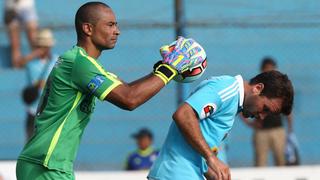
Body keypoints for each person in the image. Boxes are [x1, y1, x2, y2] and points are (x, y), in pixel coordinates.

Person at [16, 2, 204, 180]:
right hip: (46, 164)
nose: (117, 31)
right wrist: (170, 68)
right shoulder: (80, 64)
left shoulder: (83, 63)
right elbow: (129, 99)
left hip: (45, 163)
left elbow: (128, 89)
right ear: (88, 28)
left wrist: (164, 67)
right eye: (110, 25)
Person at [148, 71, 294, 180]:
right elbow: (183, 114)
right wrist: (212, 158)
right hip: (173, 175)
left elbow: (195, 143)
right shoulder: (226, 89)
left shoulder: (234, 104)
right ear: (257, 88)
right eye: (265, 108)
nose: (262, 116)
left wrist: (211, 171)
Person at [240, 57, 293, 167]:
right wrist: (249, 123)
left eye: (271, 69)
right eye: (266, 69)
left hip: (277, 129)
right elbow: (242, 103)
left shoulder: (279, 89)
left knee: (281, 162)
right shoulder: (255, 89)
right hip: (261, 131)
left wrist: (290, 130)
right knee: (260, 163)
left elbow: (287, 109)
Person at [19, 28, 58, 140]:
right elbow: (19, 63)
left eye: (45, 46)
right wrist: (33, 54)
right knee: (30, 141)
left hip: (50, 108)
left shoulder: (56, 60)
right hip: (33, 109)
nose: (42, 49)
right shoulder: (31, 63)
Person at [3, 0, 38, 68]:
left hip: (26, 7)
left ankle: (37, 67)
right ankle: (17, 67)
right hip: (10, 8)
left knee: (34, 42)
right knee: (15, 45)